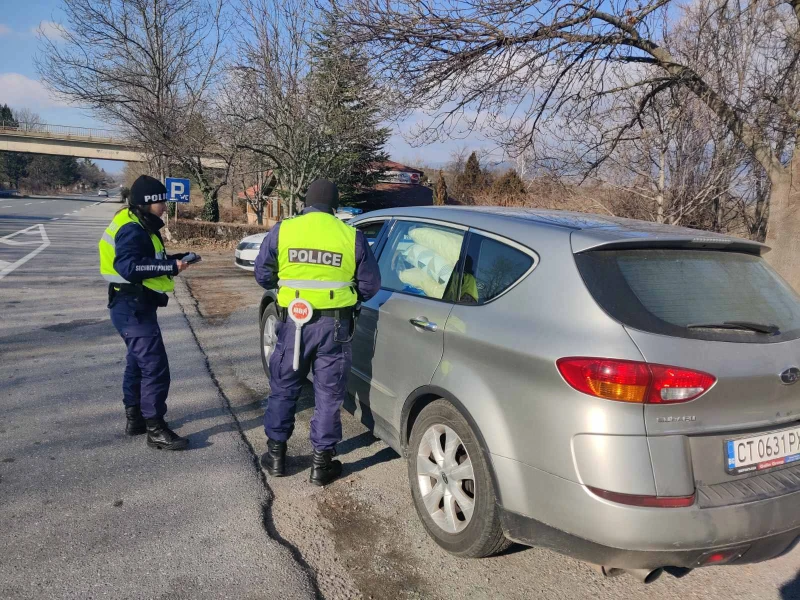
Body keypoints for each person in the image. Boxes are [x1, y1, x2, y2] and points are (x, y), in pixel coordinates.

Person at [254, 179, 381, 486]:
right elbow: (370, 286)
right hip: (334, 327)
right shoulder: (351, 236)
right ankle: (321, 465)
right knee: (328, 395)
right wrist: (347, 298)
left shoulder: (283, 230)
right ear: (334, 206)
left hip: (291, 324)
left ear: (306, 203)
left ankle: (276, 458)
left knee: (283, 388)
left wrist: (287, 288)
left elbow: (262, 274)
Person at [98, 175, 194, 451]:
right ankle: (155, 429)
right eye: (160, 201)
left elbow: (145, 260)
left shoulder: (138, 223)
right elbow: (130, 267)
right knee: (154, 366)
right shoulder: (133, 229)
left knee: (137, 363)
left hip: (132, 304)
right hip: (132, 306)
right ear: (146, 203)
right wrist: (170, 268)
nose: (164, 205)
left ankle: (136, 418)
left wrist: (175, 259)